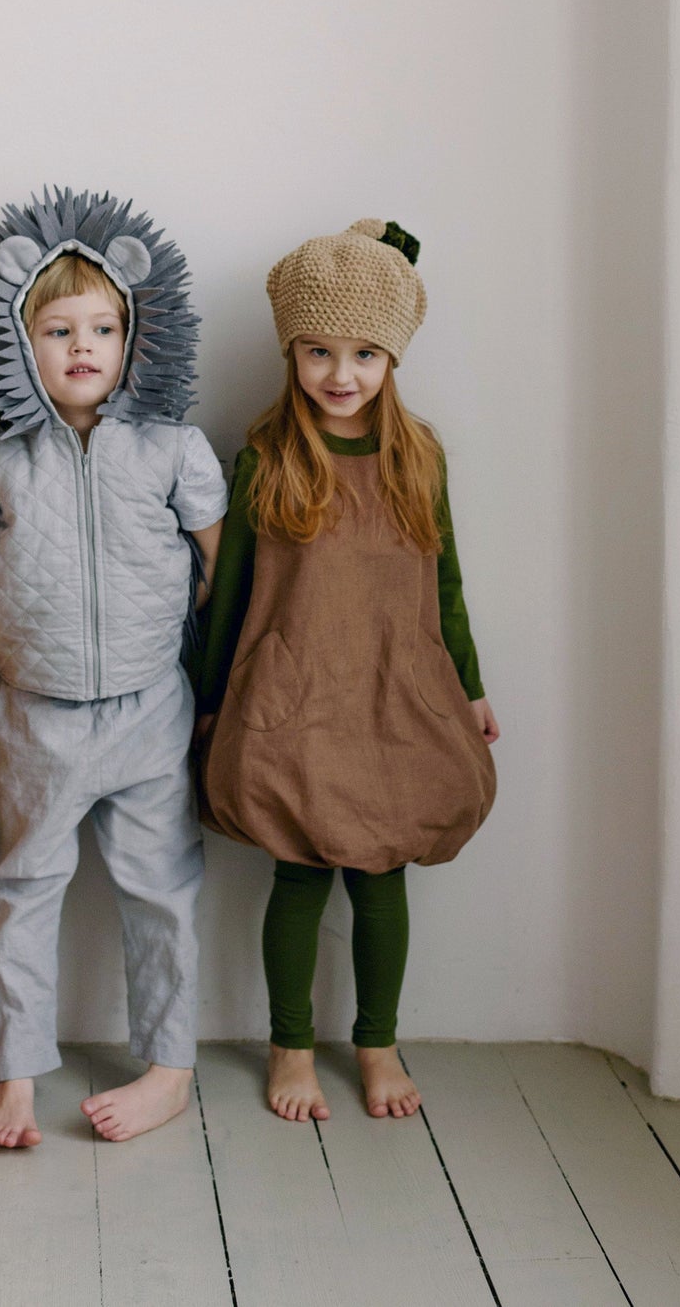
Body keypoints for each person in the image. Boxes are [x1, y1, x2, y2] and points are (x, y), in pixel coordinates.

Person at [195, 220, 499, 1124]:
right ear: (291, 350)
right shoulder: (267, 456)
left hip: (392, 693)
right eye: (319, 351)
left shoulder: (419, 456)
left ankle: (377, 1041)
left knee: (379, 874)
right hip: (292, 696)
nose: (340, 372)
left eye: (364, 352)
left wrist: (471, 685)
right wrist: (209, 704)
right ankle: (290, 1045)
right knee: (297, 872)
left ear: (391, 357)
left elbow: (443, 581)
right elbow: (231, 591)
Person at [0, 190, 228, 1145]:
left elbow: (221, 569)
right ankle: (14, 1070)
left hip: (151, 707)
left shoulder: (172, 446)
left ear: (136, 335)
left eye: (102, 326)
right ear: (15, 339)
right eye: (56, 327)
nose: (81, 346)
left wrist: (213, 681)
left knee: (163, 890)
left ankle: (170, 1065)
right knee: (18, 889)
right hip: (34, 714)